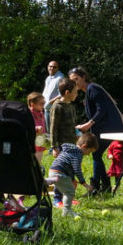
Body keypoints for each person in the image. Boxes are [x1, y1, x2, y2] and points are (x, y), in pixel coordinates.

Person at [70, 66, 123, 195]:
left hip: (111, 128)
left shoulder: (92, 88)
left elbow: (102, 110)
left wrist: (88, 125)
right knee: (96, 154)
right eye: (72, 80)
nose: (74, 82)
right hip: (105, 128)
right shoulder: (89, 91)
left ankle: (97, 187)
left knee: (96, 153)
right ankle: (103, 187)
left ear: (84, 77)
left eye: (76, 79)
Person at [48, 78, 81, 206]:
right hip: (61, 146)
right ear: (67, 92)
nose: (77, 94)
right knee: (61, 173)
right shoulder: (57, 107)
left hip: (71, 145)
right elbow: (53, 128)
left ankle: (68, 195)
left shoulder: (71, 106)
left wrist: (77, 135)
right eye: (75, 92)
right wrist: (54, 146)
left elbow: (71, 125)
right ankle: (57, 199)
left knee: (70, 172)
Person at [47, 133, 98, 216]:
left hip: (53, 170)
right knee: (69, 192)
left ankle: (51, 180)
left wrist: (72, 179)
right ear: (84, 146)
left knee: (66, 183)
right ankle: (67, 211)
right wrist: (85, 184)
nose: (88, 154)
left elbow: (61, 148)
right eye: (89, 151)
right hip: (61, 172)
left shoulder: (68, 147)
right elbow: (77, 170)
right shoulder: (78, 154)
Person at [27, 92, 47, 165]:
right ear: (32, 104)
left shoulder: (41, 113)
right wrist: (36, 129)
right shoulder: (28, 114)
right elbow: (27, 126)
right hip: (32, 140)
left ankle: (37, 169)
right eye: (41, 103)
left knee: (39, 157)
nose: (43, 105)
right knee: (32, 159)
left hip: (40, 139)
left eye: (44, 103)